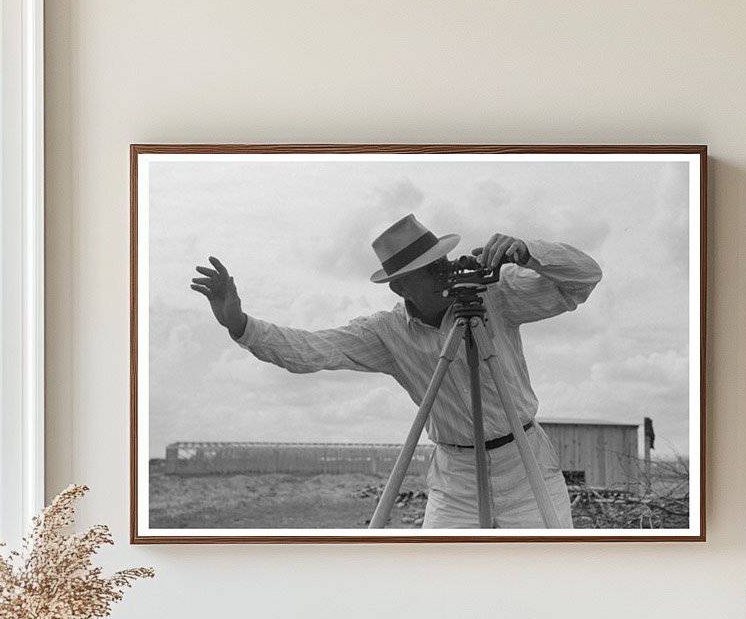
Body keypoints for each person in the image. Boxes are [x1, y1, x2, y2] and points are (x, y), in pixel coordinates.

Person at [191, 213, 602, 528]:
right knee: (439, 587)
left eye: (443, 261)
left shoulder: (496, 295)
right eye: (432, 268)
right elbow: (312, 350)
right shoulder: (387, 334)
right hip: (456, 478)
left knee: (546, 573)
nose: (446, 272)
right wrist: (239, 323)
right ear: (400, 286)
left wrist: (531, 253)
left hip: (525, 467)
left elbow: (584, 278)